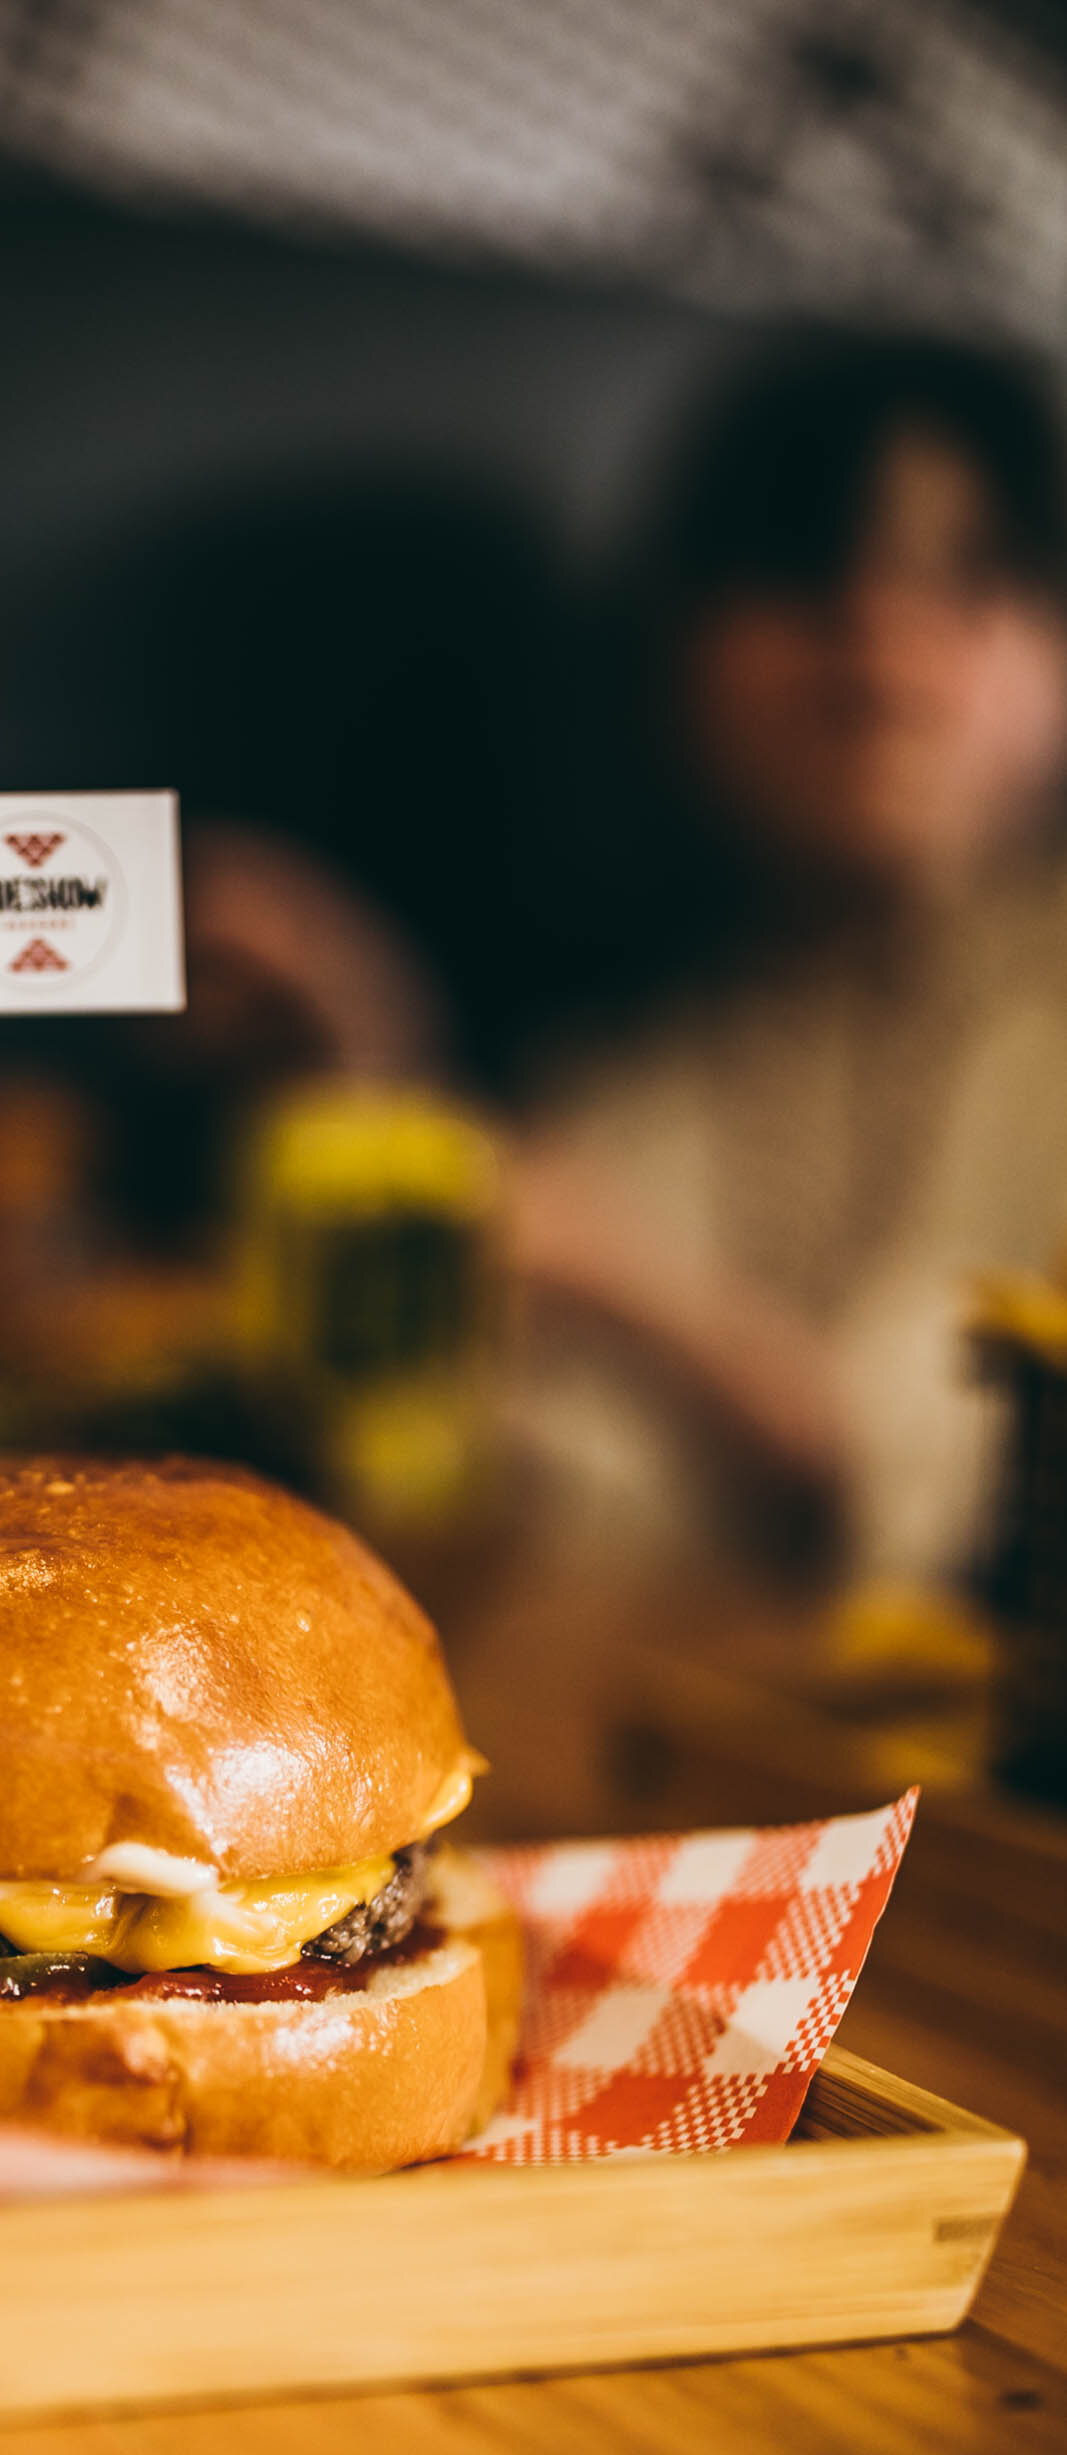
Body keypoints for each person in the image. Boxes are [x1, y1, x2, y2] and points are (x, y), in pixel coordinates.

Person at [511, 333, 1067, 1590]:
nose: (878, 648)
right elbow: (532, 1465)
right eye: (805, 566)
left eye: (969, 577)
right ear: (674, 645)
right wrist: (360, 1076)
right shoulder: (655, 1040)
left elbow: (954, 1507)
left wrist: (624, 1290)